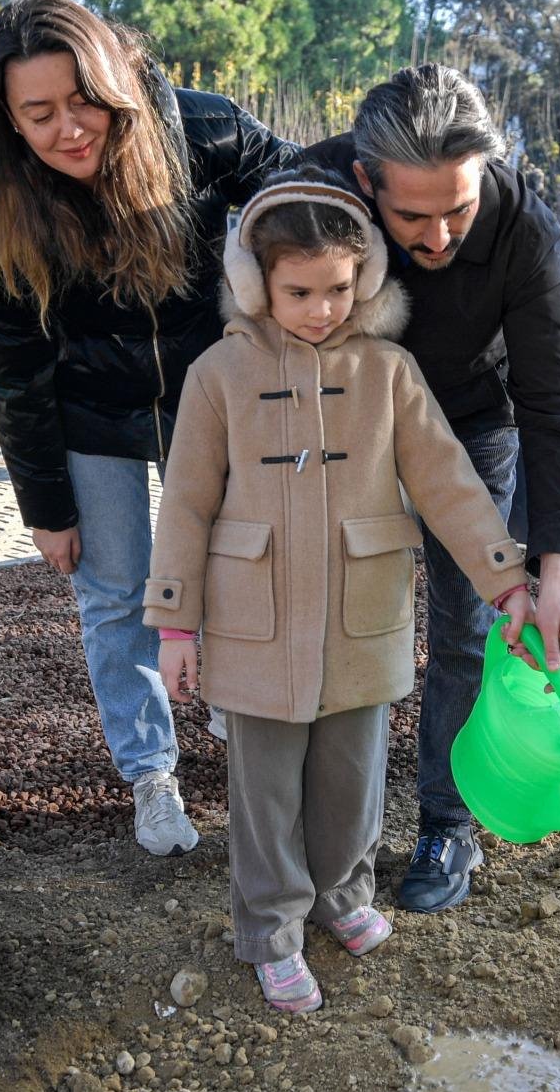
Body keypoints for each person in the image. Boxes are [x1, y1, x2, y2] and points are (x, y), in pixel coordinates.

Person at [143, 168, 535, 1012]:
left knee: (353, 780)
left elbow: (449, 484)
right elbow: (185, 503)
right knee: (266, 791)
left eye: (337, 289)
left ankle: (342, 898)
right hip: (257, 623)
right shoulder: (218, 376)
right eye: (298, 291)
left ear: (366, 281)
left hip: (364, 617)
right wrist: (175, 627)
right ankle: (272, 930)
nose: (321, 308)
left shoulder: (388, 373)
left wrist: (505, 581)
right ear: (255, 285)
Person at [0, 0, 297, 858]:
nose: (70, 129)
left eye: (84, 101)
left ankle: (237, 707)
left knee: (235, 562)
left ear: (114, 80)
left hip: (207, 402)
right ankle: (151, 775)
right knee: (116, 595)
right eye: (39, 114)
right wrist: (45, 505)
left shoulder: (201, 132)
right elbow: (14, 365)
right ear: (7, 119)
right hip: (87, 417)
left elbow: (307, 192)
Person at [305, 65, 560, 914]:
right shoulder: (314, 195)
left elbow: (557, 402)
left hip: (473, 422)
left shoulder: (523, 229)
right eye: (412, 216)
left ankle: (447, 820)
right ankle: (308, 826)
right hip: (347, 423)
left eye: (457, 210)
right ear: (366, 185)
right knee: (326, 619)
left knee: (475, 625)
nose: (437, 238)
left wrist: (555, 575)